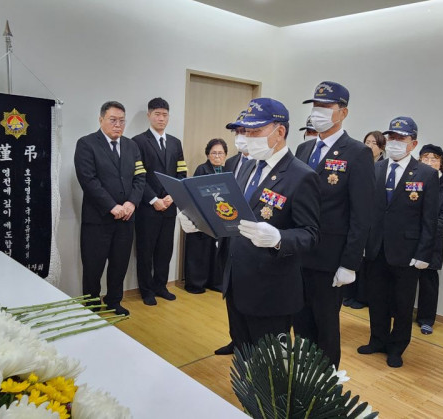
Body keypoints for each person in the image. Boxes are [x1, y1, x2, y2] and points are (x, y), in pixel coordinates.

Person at [182, 97, 321, 349]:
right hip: (236, 280)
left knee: (269, 364)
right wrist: (198, 220)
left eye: (255, 131)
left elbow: (310, 234)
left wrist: (279, 238)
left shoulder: (301, 176)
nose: (247, 137)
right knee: (243, 356)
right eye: (245, 131)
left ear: (279, 132)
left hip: (270, 290)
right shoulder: (246, 167)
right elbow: (230, 216)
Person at [293, 81, 373, 368]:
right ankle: (302, 376)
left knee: (325, 325)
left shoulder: (357, 153)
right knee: (300, 321)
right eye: (316, 106)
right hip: (298, 252)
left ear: (343, 112)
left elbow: (362, 214)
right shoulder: (303, 149)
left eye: (326, 106)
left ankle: (325, 383)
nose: (318, 112)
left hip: (330, 258)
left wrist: (349, 263)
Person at [359, 116, 439, 368]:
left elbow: (429, 219)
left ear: (413, 143)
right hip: (376, 247)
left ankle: (397, 347)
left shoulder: (426, 174)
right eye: (391, 137)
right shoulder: (375, 168)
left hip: (407, 251)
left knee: (403, 305)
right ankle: (377, 339)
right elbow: (366, 210)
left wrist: (424, 253)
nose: (394, 142)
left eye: (401, 138)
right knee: (377, 299)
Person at [74, 101, 146, 316]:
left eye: (122, 121)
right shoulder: (86, 144)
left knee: (119, 264)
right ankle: (91, 304)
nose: (118, 125)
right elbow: (88, 180)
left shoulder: (131, 146)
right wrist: (112, 206)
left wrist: (132, 202)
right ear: (101, 119)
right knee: (93, 266)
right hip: (98, 219)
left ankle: (114, 300)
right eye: (113, 120)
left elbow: (140, 177)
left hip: (126, 218)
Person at [132, 97, 188, 306]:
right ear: (149, 115)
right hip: (148, 207)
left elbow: (181, 172)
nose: (161, 118)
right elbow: (138, 175)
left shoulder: (175, 142)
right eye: (157, 114)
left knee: (165, 250)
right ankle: (146, 290)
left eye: (165, 114)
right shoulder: (137, 141)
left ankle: (161, 286)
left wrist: (173, 195)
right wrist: (154, 199)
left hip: (169, 206)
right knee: (145, 251)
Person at [415, 144, 443, 335]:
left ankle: (426, 319)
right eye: (426, 158)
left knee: (428, 281)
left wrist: (426, 234)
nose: (430, 162)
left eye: (434, 159)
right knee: (404, 279)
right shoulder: (412, 179)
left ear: (441, 163)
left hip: (431, 241)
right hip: (408, 239)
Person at [343, 130, 387, 309]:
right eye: (367, 142)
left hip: (375, 223)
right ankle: (350, 294)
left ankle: (362, 297)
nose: (369, 146)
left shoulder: (382, 167)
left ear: (382, 148)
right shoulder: (360, 162)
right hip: (358, 219)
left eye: (374, 143)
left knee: (368, 262)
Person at [183, 138, 228, 294]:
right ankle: (195, 284)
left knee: (215, 251)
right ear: (208, 154)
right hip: (202, 216)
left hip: (220, 216)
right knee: (200, 251)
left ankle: (214, 282)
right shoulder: (202, 169)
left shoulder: (227, 171)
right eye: (214, 153)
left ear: (225, 155)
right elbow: (196, 193)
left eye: (220, 153)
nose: (217, 156)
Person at [224, 111, 250, 178]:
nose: (239, 135)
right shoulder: (230, 163)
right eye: (237, 131)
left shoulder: (262, 163)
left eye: (244, 131)